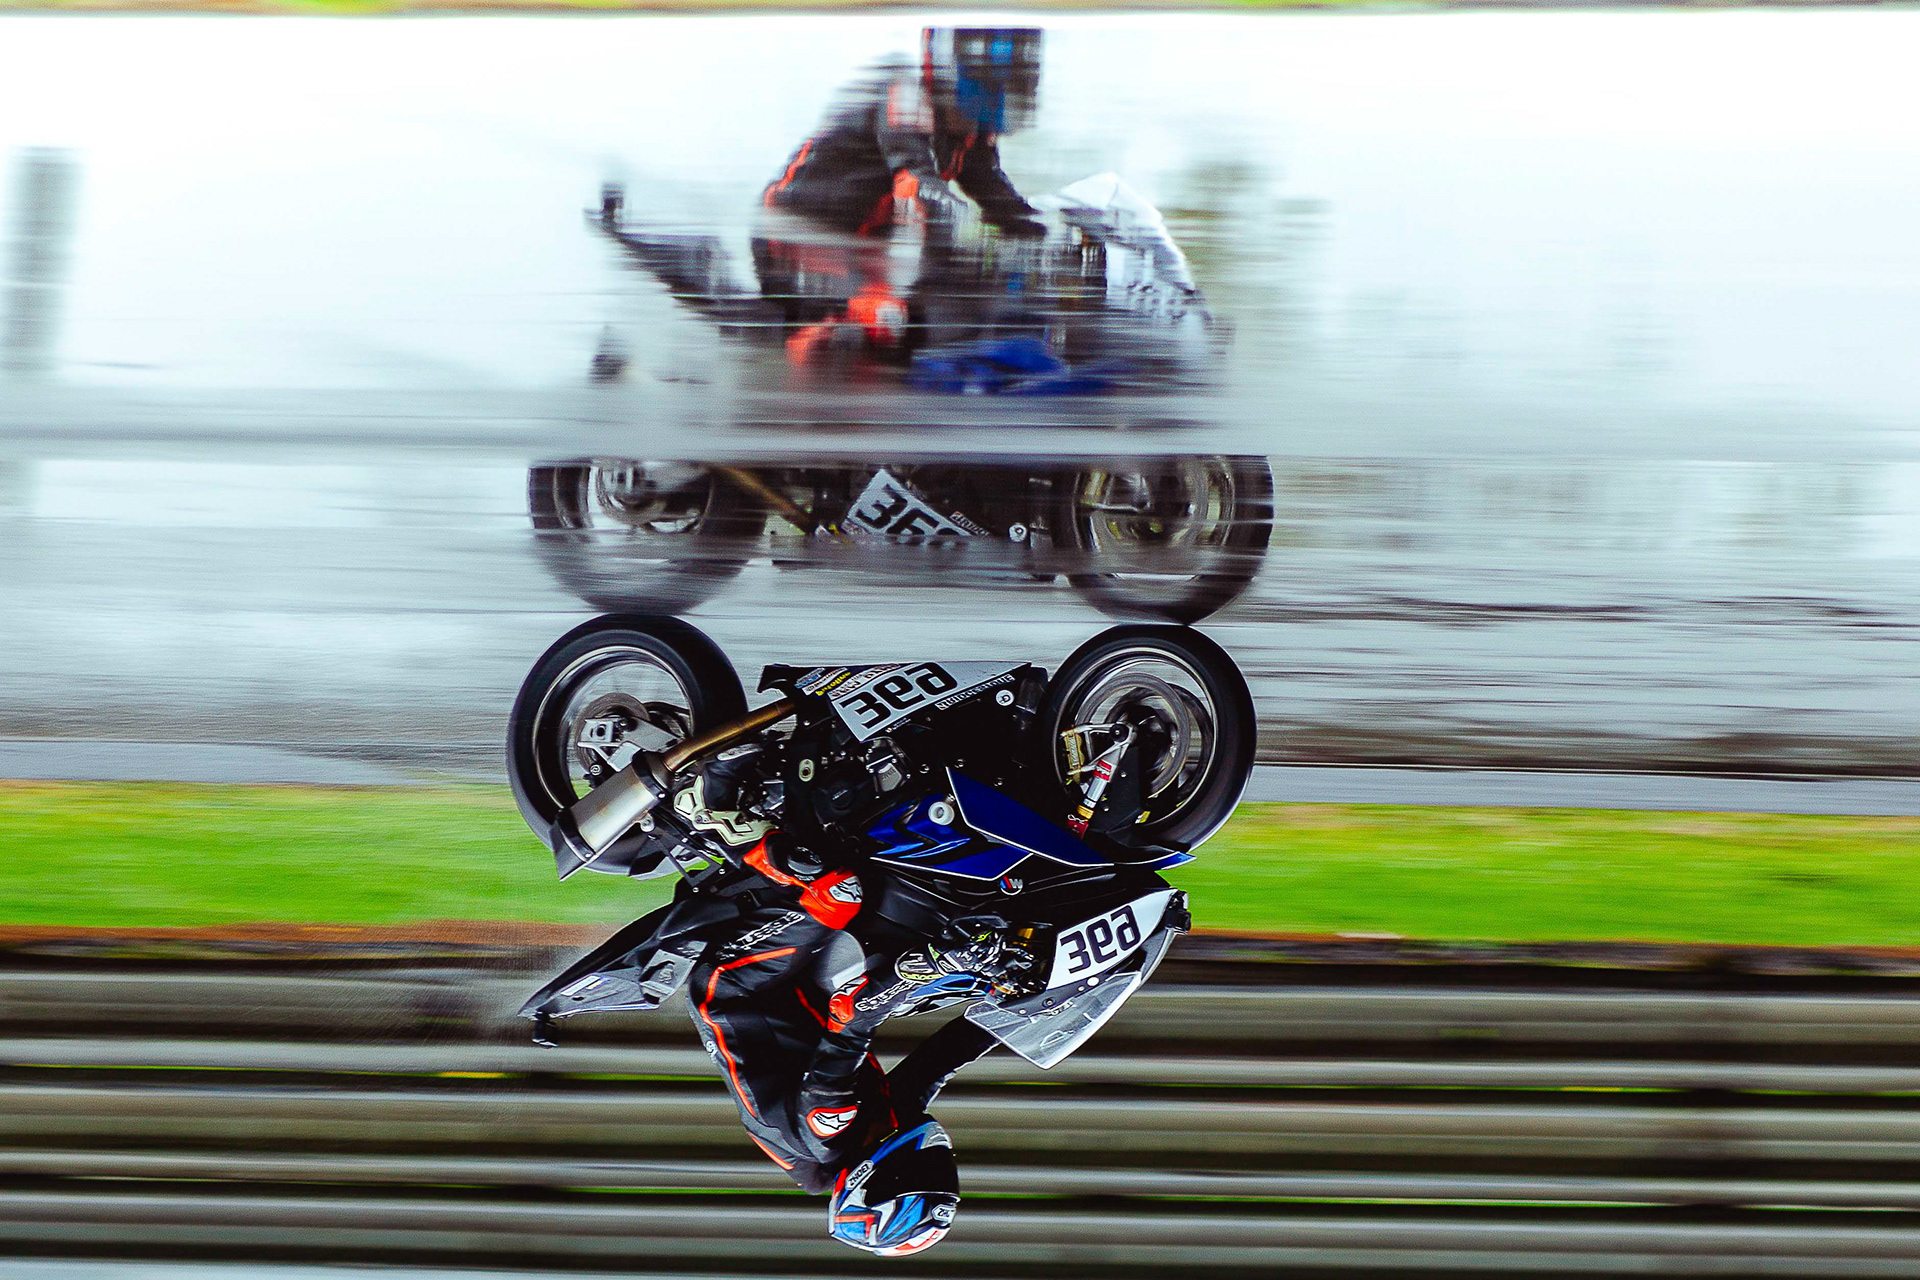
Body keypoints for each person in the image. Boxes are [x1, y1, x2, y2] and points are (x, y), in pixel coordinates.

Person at [681, 751, 1010, 1257]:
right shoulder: (880, 1132)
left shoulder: (825, 1132)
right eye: (942, 1176)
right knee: (944, 941)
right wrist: (1016, 1003)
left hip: (738, 987)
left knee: (839, 892)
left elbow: (852, 1021)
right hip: (802, 996)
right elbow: (937, 1063)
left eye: (920, 1174)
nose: (938, 1161)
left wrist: (933, 965)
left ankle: (712, 804)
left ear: (871, 1183)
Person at [753, 27, 1047, 365]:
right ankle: (790, 355)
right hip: (794, 237)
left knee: (940, 309)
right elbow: (918, 187)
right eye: (994, 87)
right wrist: (961, 246)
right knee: (887, 324)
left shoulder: (972, 133)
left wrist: (1043, 236)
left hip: (858, 249)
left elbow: (999, 198)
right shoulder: (905, 92)